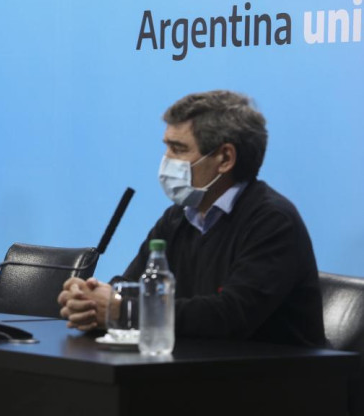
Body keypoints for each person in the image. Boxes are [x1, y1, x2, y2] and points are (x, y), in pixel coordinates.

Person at [58, 90, 326, 347]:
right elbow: (132, 285)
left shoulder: (273, 221)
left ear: (225, 158)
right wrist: (91, 301)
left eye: (178, 149)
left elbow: (230, 316)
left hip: (277, 381)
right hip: (196, 371)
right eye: (167, 147)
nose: (166, 160)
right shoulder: (177, 217)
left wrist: (123, 308)